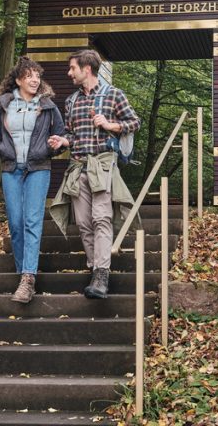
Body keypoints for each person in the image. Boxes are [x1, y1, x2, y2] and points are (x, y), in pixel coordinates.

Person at [48, 49, 140, 299]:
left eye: (72, 68)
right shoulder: (71, 101)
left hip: (103, 166)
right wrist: (62, 141)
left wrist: (111, 125)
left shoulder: (113, 95)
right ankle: (95, 266)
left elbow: (134, 122)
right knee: (84, 223)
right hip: (78, 168)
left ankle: (101, 274)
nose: (69, 73)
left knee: (101, 218)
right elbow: (70, 133)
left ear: (86, 69)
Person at [0, 56, 64, 304]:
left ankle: (28, 278)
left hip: (38, 168)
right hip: (11, 168)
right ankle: (24, 272)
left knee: (32, 221)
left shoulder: (48, 106)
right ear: (19, 80)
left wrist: (52, 147)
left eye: (37, 75)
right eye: (29, 75)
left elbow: (60, 137)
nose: (34, 79)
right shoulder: (4, 104)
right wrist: (1, 149)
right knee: (16, 222)